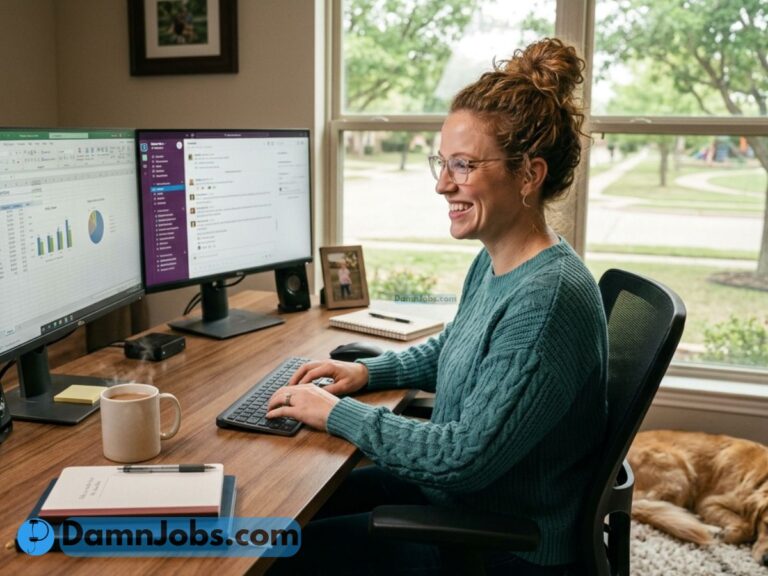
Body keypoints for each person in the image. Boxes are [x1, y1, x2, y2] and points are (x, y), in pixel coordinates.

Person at [266, 37, 607, 576]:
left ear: (529, 174)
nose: (442, 184)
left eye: (464, 166)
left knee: (276, 555)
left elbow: (462, 457)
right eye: (442, 163)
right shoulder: (498, 260)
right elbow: (456, 347)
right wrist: (365, 372)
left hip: (504, 543)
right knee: (289, 504)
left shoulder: (548, 298)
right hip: (461, 502)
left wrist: (334, 412)